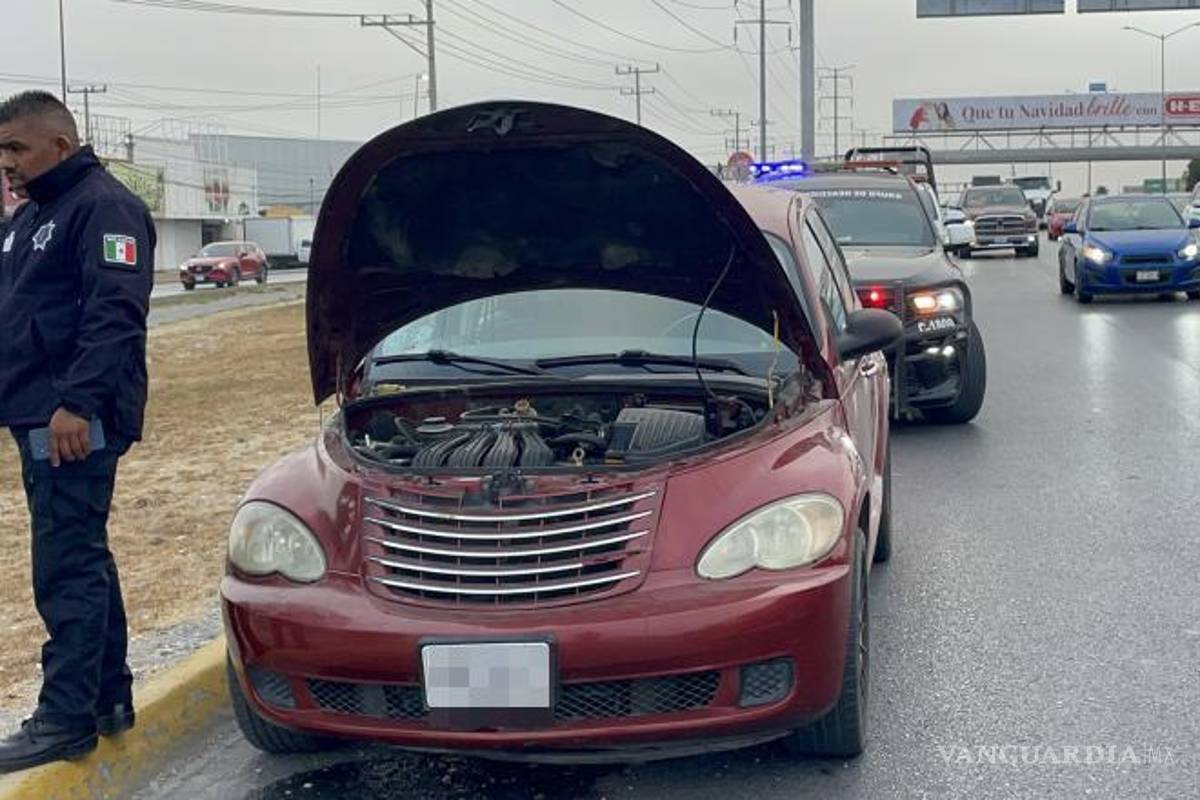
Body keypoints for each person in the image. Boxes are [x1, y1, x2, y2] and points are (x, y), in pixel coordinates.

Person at [0, 91, 155, 773]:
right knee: (84, 556)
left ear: (58, 145)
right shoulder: (32, 213)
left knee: (64, 567)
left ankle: (64, 718)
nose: (6, 164)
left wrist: (79, 405)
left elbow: (115, 313)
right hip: (36, 410)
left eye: (15, 149)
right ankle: (107, 699)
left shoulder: (103, 206)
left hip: (69, 420)